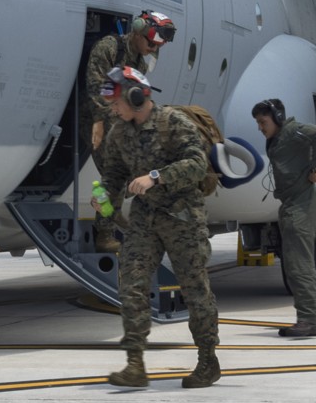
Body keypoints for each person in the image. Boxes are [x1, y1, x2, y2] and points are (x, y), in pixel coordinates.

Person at [94, 66, 221, 388]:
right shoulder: (119, 133)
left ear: (136, 96)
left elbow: (196, 164)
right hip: (144, 220)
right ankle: (135, 364)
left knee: (195, 289)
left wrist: (155, 177)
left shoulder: (173, 124)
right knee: (131, 285)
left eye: (116, 101)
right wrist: (104, 201)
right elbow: (113, 176)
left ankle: (208, 360)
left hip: (182, 217)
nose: (112, 108)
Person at [84, 10, 174, 251]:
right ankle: (104, 232)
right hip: (96, 118)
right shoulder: (109, 48)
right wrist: (100, 123)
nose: (152, 50)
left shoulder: (139, 63)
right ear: (137, 32)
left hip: (118, 121)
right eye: (150, 43)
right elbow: (95, 86)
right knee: (113, 177)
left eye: (157, 47)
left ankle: (111, 214)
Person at [253, 98, 316, 338]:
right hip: (291, 205)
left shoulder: (292, 131)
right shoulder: (278, 138)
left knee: (300, 266)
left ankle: (308, 320)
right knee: (295, 265)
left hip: (301, 205)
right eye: (258, 123)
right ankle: (307, 317)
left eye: (263, 122)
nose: (260, 127)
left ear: (277, 118)